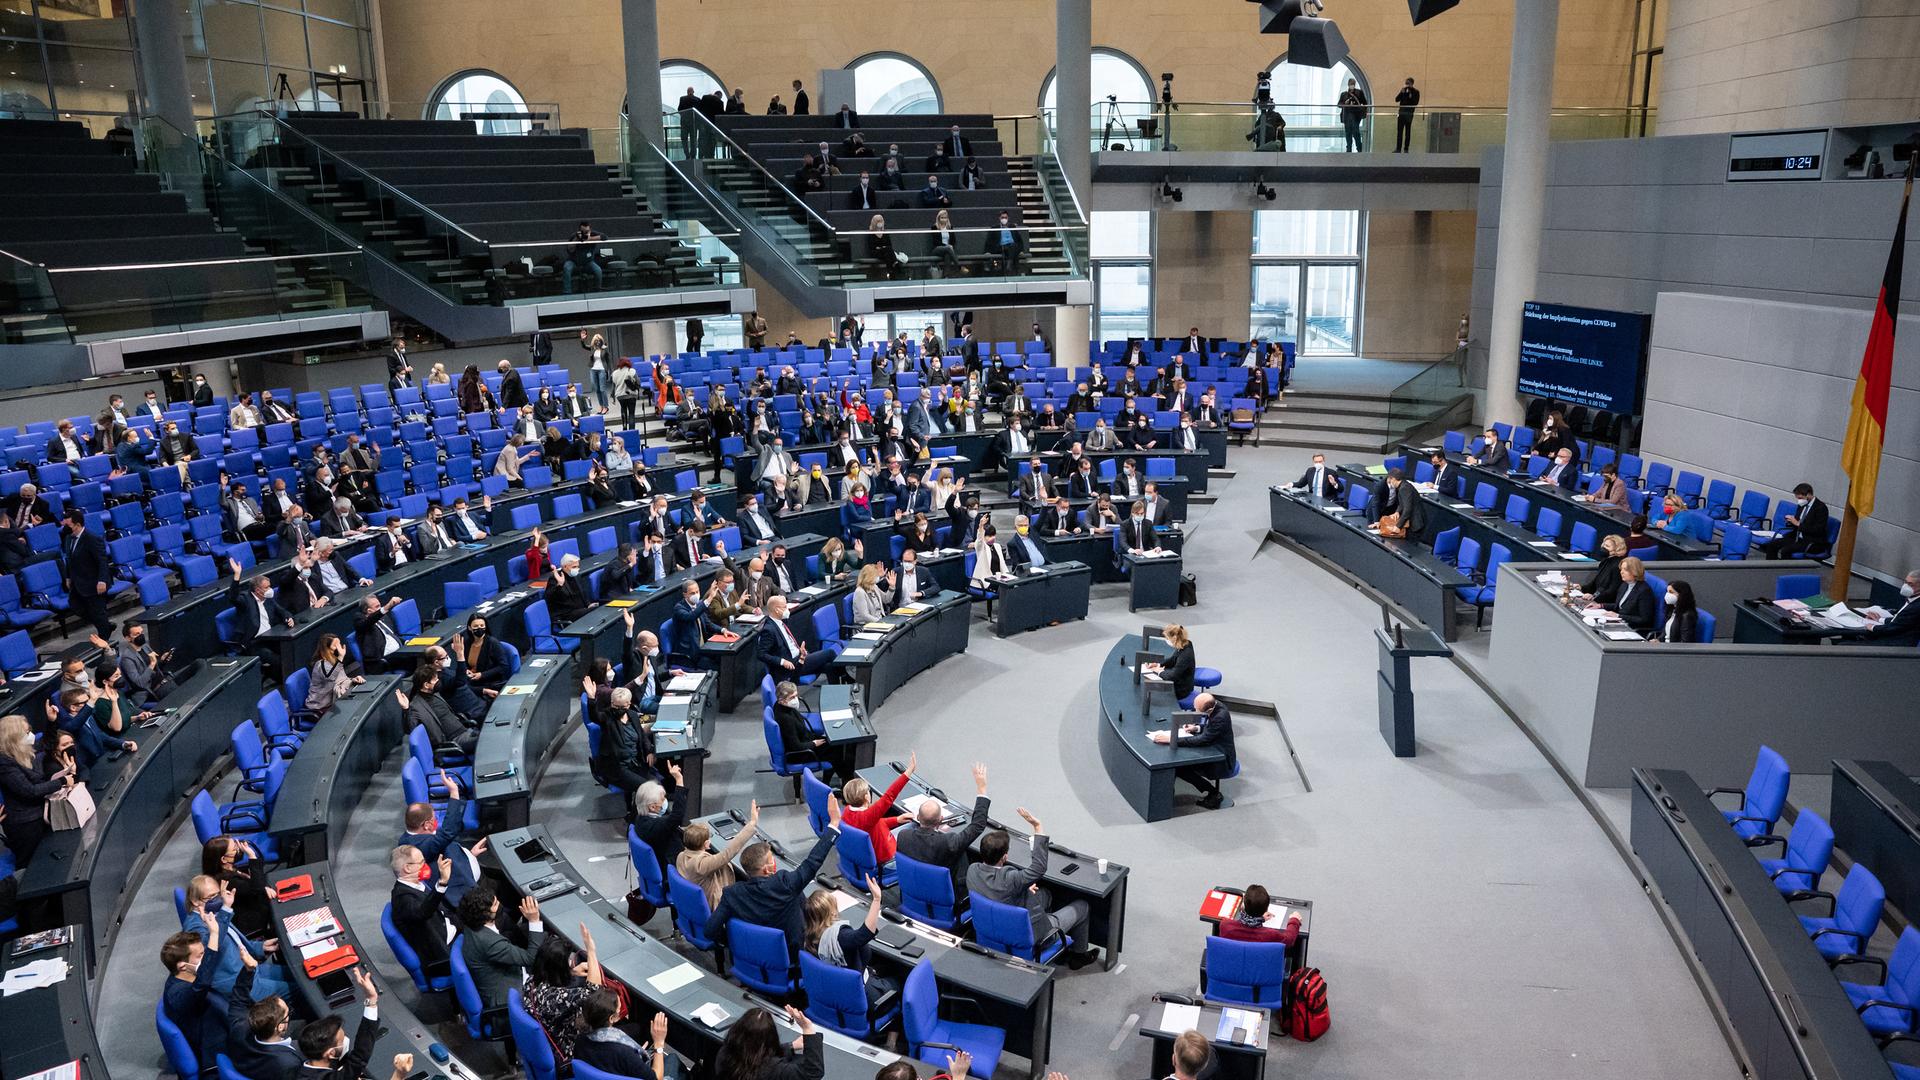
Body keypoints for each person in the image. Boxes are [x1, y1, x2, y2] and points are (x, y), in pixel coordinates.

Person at [707, 795, 841, 953]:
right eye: (772, 860)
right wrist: (833, 825)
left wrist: (736, 944)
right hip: (792, 957)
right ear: (767, 869)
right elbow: (812, 862)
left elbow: (709, 931)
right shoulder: (784, 884)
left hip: (753, 956)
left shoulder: (732, 894)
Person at [966, 806, 1095, 967]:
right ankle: (1079, 956)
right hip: (1030, 937)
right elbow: (1038, 868)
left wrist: (1024, 889)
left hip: (992, 929)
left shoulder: (972, 871)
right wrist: (1037, 827)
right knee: (1082, 906)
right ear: (1004, 856)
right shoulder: (1012, 879)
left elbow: (1000, 889)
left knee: (1045, 894)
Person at [801, 874, 895, 1016]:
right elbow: (864, 934)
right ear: (830, 912)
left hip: (833, 994)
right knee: (901, 980)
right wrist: (876, 900)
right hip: (863, 998)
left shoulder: (809, 937)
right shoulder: (840, 937)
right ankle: (892, 1037)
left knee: (884, 968)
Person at [294, 969, 403, 1080]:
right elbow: (359, 1057)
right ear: (331, 1053)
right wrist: (400, 1073)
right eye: (341, 1041)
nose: (346, 1040)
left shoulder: (305, 1069)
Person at [522, 929, 605, 1068]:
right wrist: (591, 951)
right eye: (569, 960)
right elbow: (594, 992)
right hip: (569, 1053)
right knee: (633, 1028)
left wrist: (571, 972)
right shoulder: (555, 998)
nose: (572, 962)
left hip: (550, 1036)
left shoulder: (532, 981)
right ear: (560, 967)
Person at [895, 762, 990, 885]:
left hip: (912, 889)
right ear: (941, 819)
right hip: (945, 895)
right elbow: (977, 825)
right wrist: (981, 788)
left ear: (918, 817)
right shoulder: (949, 842)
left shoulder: (903, 836)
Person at [457, 883, 544, 1010]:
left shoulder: (471, 924)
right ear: (486, 914)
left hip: (502, 974)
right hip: (510, 996)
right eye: (496, 904)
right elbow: (531, 958)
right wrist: (534, 920)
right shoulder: (489, 942)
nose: (499, 905)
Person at [402, 770, 483, 905]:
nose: (436, 822)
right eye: (434, 820)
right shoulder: (416, 846)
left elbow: (444, 844)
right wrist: (454, 793)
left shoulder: (420, 836)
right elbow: (447, 833)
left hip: (467, 868)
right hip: (465, 895)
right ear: (427, 825)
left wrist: (470, 854)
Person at [1, 715, 71, 864]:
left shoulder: (21, 750)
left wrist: (51, 722)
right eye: (26, 733)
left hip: (41, 813)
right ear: (14, 737)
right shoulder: (4, 763)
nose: (31, 736)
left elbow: (47, 743)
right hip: (25, 824)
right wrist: (62, 780)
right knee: (31, 863)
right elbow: (29, 791)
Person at [1149, 692, 1237, 809]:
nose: (1195, 709)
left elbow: (1203, 740)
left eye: (1197, 709)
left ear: (1208, 710)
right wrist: (1196, 727)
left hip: (1220, 757)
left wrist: (1173, 740)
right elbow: (1209, 727)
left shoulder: (1220, 717)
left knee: (1181, 767)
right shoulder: (1216, 705)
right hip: (1211, 746)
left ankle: (1213, 793)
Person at [389, 844, 457, 984]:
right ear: (407, 868)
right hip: (442, 956)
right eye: (421, 862)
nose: (425, 865)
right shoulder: (402, 898)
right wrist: (442, 883)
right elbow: (422, 912)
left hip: (448, 930)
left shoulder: (416, 884)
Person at [160, 924, 225, 1064]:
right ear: (182, 966)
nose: (206, 957)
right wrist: (214, 935)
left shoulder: (187, 977)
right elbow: (202, 985)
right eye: (201, 955)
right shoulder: (178, 995)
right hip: (218, 1052)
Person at [677, 801, 759, 907]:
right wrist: (752, 823)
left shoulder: (680, 856)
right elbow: (729, 852)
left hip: (694, 902)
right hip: (712, 906)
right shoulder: (702, 864)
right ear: (706, 844)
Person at [840, 752, 915, 864]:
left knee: (911, 826)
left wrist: (896, 820)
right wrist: (908, 772)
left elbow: (875, 824)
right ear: (866, 797)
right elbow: (889, 796)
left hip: (877, 847)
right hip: (889, 859)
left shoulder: (847, 811)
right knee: (917, 836)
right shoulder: (867, 816)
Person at [712, 1005, 821, 1080]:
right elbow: (813, 1073)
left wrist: (791, 1046)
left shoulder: (725, 1052)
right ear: (771, 1038)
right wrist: (807, 1029)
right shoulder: (773, 1069)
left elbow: (757, 1052)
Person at [202, 834, 275, 938]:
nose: (239, 848)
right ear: (224, 859)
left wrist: (263, 887)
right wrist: (251, 856)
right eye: (235, 848)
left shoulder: (228, 869)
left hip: (252, 903)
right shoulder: (227, 881)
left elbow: (255, 884)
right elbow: (257, 888)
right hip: (252, 918)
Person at [61, 508, 113, 638]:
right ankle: (105, 625)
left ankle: (105, 641)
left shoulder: (92, 538)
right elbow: (69, 559)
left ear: (77, 525)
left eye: (68, 525)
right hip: (77, 582)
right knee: (75, 606)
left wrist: (102, 580)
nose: (65, 528)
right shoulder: (68, 538)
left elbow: (102, 561)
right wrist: (68, 577)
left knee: (98, 612)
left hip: (94, 582)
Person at [406, 665, 477, 757]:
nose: (438, 681)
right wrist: (406, 709)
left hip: (465, 730)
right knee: (487, 740)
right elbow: (412, 729)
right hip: (455, 741)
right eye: (435, 680)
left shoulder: (435, 693)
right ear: (426, 685)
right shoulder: (416, 705)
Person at [629, 775, 689, 876]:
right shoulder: (655, 826)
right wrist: (679, 780)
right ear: (652, 807)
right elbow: (677, 816)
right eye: (662, 799)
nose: (665, 801)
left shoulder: (639, 819)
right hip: (674, 869)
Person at [1760, 483, 1830, 558]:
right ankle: (1771, 567)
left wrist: (1798, 524)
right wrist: (1790, 521)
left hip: (1811, 541)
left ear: (1808, 494)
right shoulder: (1802, 505)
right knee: (1772, 544)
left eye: (1800, 498)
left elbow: (1818, 530)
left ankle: (1786, 569)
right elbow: (1797, 521)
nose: (1799, 500)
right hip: (1797, 536)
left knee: (1786, 550)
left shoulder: (1821, 508)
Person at [1218, 884, 1304, 944]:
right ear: (1266, 909)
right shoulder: (1271, 935)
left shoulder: (1225, 925)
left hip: (1231, 967)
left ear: (1243, 906)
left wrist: (1260, 919)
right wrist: (1294, 920)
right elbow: (1289, 939)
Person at [1856, 568, 1920, 647]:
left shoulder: (1916, 607)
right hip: (1893, 635)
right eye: (1905, 582)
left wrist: (1872, 627)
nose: (1905, 586)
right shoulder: (1912, 598)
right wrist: (1879, 619)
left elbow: (1893, 628)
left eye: (1911, 584)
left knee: (1846, 644)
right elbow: (1900, 621)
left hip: (1898, 644)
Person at [1140, 624, 1197, 701]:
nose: (1167, 640)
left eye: (1167, 638)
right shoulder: (1185, 644)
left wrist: (1159, 671)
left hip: (1182, 690)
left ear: (1174, 638)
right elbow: (1173, 659)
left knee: (1154, 693)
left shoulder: (1185, 655)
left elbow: (1172, 677)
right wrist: (1158, 664)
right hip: (1181, 679)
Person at [1600, 556, 1657, 631]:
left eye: (1625, 570)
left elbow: (1644, 619)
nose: (1621, 572)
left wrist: (1618, 616)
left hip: (1632, 628)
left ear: (1635, 571)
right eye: (1621, 569)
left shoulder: (1644, 591)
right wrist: (1600, 605)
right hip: (1619, 623)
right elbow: (1620, 605)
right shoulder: (1625, 584)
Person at [1582, 534, 1629, 606]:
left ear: (1617, 549)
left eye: (1607, 546)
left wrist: (1594, 597)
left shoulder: (1618, 566)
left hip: (1607, 603)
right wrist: (1581, 587)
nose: (1603, 547)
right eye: (1604, 545)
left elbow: (1612, 591)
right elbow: (1595, 583)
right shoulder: (1605, 561)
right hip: (1598, 600)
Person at [564, 221, 606, 294]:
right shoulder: (574, 236)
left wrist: (589, 238)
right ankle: (567, 292)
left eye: (586, 231)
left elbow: (605, 237)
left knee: (598, 270)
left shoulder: (593, 234)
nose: (585, 234)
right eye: (583, 232)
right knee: (567, 268)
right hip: (574, 261)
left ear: (590, 230)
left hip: (588, 262)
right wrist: (577, 239)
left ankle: (597, 290)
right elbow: (569, 250)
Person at [1338, 78, 1369, 152]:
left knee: (1356, 133)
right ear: (1348, 85)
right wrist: (1345, 103)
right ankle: (1349, 149)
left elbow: (1365, 103)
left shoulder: (1359, 93)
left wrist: (1360, 109)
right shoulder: (1344, 94)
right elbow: (1339, 104)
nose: (1352, 86)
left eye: (1353, 84)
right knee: (1348, 133)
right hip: (1347, 116)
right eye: (1351, 84)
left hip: (1356, 116)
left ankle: (1359, 149)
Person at [1393, 77, 1420, 152]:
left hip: (1409, 114)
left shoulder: (1416, 92)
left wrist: (1411, 95)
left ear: (1412, 83)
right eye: (1406, 83)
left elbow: (1415, 103)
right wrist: (1401, 92)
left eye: (1408, 83)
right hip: (1401, 113)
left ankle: (1406, 148)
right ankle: (1398, 148)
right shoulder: (1403, 90)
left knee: (1408, 131)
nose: (1407, 85)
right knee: (1399, 131)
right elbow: (1396, 99)